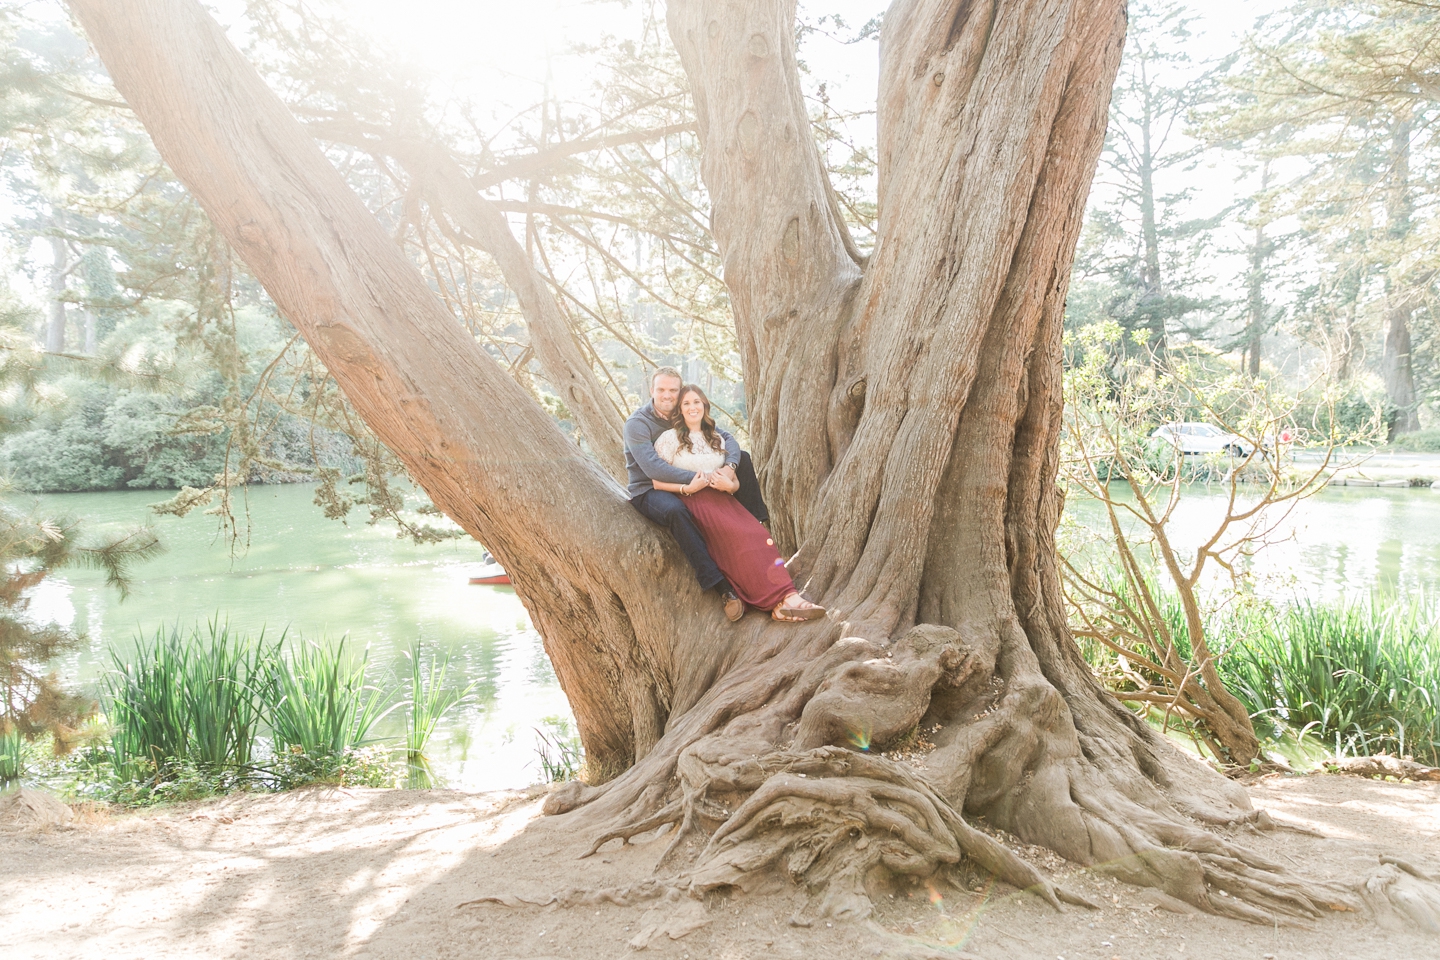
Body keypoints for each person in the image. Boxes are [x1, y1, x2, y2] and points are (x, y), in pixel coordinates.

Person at [651, 384, 825, 622]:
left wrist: (730, 487)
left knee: (758, 535)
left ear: (705, 406)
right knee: (740, 542)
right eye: (686, 403)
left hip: (724, 500)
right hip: (694, 503)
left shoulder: (717, 438)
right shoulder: (668, 439)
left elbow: (733, 483)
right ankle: (776, 600)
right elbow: (656, 482)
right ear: (679, 410)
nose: (692, 407)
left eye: (697, 402)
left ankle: (787, 600)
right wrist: (686, 488)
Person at [624, 367, 776, 621]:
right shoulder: (637, 424)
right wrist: (704, 479)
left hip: (692, 481)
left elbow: (726, 436)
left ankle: (757, 529)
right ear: (652, 391)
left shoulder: (681, 411)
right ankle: (720, 586)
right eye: (661, 389)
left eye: (673, 390)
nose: (667, 395)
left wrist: (729, 469)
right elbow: (652, 468)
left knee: (744, 459)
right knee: (675, 511)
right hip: (649, 489)